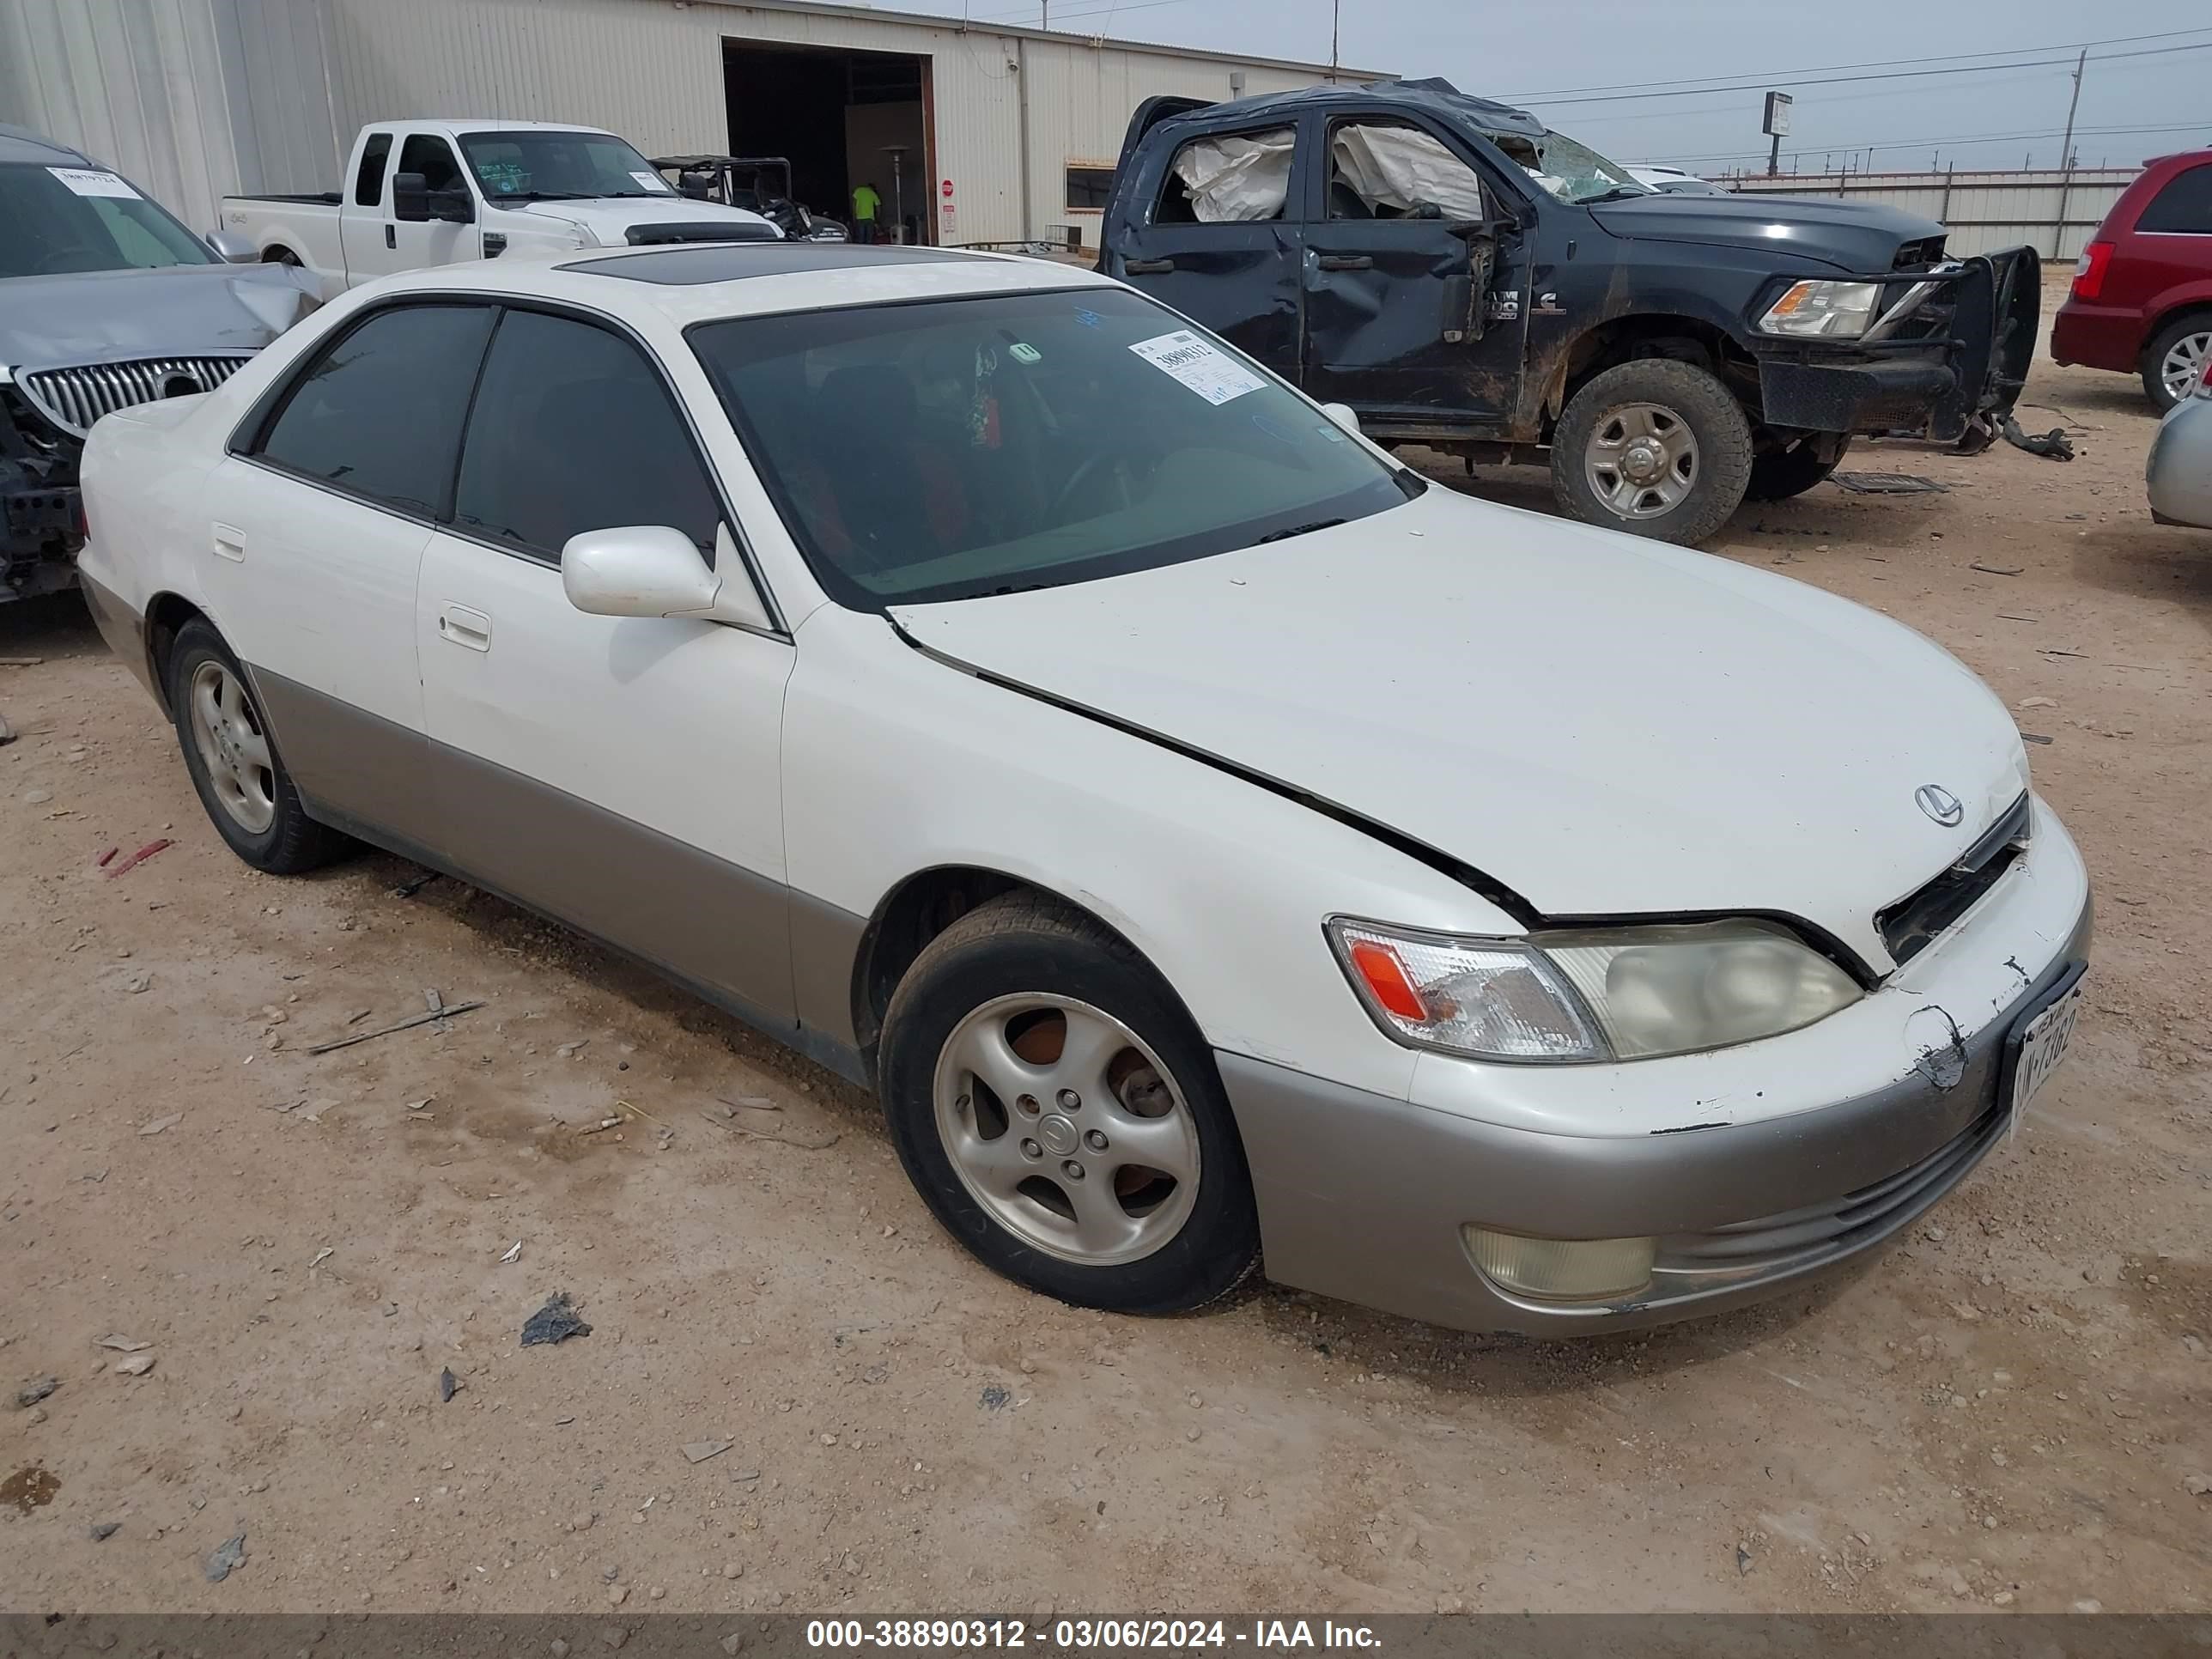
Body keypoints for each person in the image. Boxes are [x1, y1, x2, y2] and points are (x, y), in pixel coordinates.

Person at [851, 180, 882, 244]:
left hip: (860, 218)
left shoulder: (858, 190)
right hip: (870, 219)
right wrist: (877, 219)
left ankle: (861, 252)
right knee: (869, 239)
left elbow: (854, 204)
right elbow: (878, 207)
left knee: (861, 238)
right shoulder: (873, 193)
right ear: (873, 188)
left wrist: (854, 215)